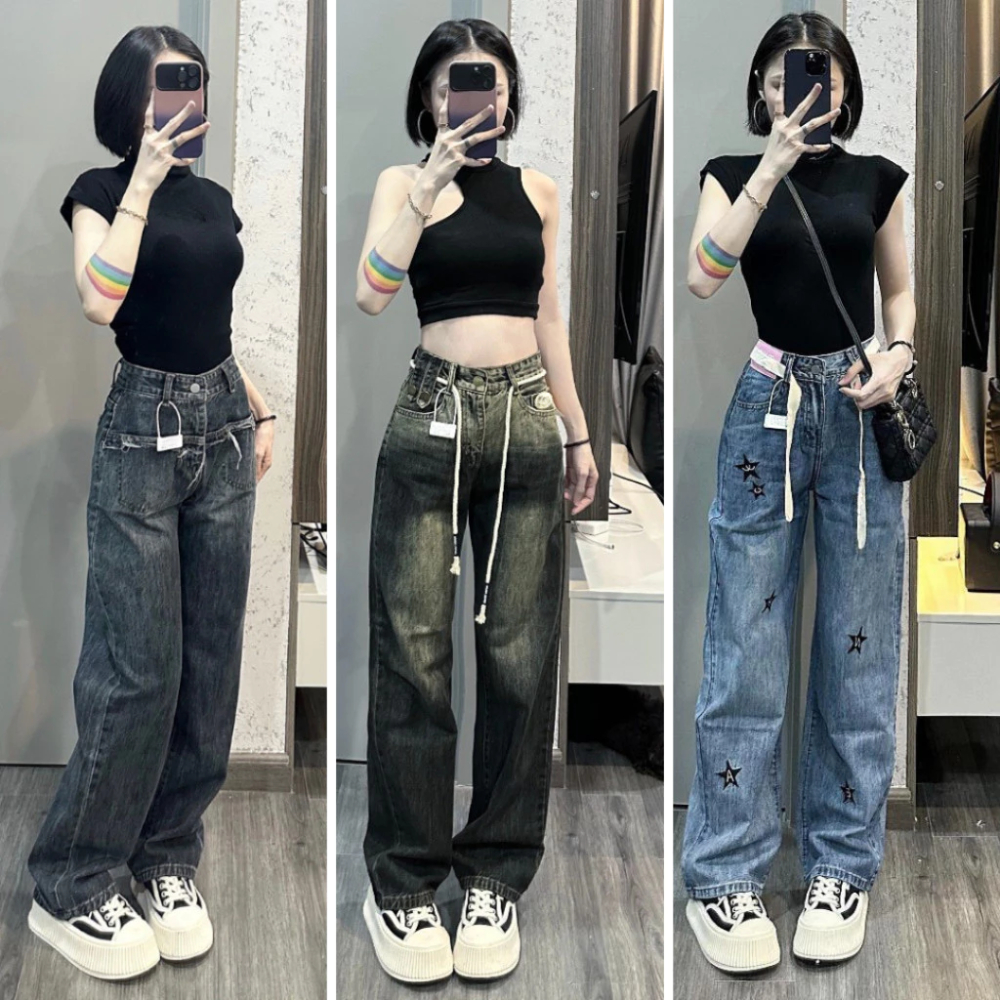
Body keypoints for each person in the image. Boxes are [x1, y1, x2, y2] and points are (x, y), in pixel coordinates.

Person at [26, 26, 276, 981]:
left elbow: (208, 317)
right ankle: (72, 879)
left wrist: (251, 399)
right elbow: (103, 301)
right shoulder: (98, 193)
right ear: (133, 99)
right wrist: (140, 180)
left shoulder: (213, 201)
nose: (186, 103)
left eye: (196, 87)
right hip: (142, 430)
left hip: (221, 426)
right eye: (169, 86)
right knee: (136, 671)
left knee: (210, 662)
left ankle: (166, 857)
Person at [354, 17, 597, 986]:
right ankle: (404, 882)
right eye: (457, 81)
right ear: (429, 96)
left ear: (509, 94)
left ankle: (495, 874)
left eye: (490, 81)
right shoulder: (400, 184)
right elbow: (372, 291)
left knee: (518, 658)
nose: (476, 96)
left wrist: (579, 431)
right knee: (413, 657)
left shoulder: (537, 191)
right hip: (431, 419)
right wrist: (428, 184)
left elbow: (550, 316)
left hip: (529, 420)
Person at [681, 13, 913, 974]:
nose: (801, 90)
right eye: (784, 78)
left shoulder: (878, 179)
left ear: (844, 88)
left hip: (858, 404)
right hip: (767, 404)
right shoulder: (731, 172)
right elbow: (703, 276)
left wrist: (901, 354)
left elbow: (899, 297)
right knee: (745, 641)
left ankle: (840, 867)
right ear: (762, 90)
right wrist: (772, 165)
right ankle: (724, 873)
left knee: (858, 643)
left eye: (818, 76)